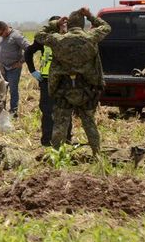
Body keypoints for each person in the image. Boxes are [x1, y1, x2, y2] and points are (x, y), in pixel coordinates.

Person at [34, 8, 111, 154]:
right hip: (87, 89)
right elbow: (107, 27)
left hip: (64, 89)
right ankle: (97, 154)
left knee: (60, 124)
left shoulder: (58, 39)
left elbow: (39, 35)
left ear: (68, 24)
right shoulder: (91, 37)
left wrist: (55, 23)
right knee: (89, 123)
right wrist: (90, 16)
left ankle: (57, 155)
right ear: (82, 24)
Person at [24, 16, 69, 146]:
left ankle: (66, 140)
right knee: (48, 111)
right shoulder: (44, 39)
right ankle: (47, 140)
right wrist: (33, 70)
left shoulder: (68, 38)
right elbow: (28, 52)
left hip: (64, 80)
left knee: (65, 110)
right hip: (46, 80)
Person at [0, 21, 29, 117]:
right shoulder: (0, 37)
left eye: (1, 33)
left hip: (13, 69)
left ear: (6, 29)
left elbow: (29, 49)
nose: (0, 36)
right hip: (2, 69)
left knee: (13, 90)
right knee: (2, 90)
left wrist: (20, 62)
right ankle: (2, 111)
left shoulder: (16, 36)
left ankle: (13, 112)